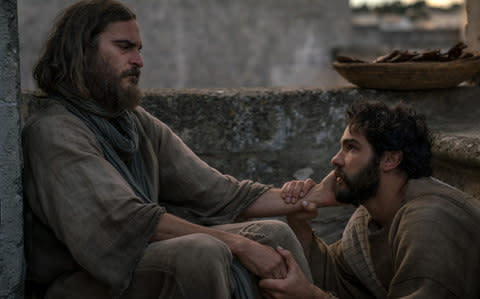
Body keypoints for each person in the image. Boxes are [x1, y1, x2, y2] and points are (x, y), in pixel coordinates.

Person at [22, 1, 335, 298]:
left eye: (139, 50)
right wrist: (239, 245)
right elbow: (127, 223)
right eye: (124, 47)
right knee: (201, 252)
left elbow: (218, 194)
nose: (138, 61)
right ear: (83, 52)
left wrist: (311, 197)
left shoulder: (133, 123)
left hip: (136, 263)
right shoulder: (55, 131)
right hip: (80, 283)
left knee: (273, 236)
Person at [260, 101, 480, 298]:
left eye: (351, 148)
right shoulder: (368, 222)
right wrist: (299, 220)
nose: (336, 160)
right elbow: (335, 280)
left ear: (390, 159)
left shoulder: (430, 221)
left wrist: (311, 296)